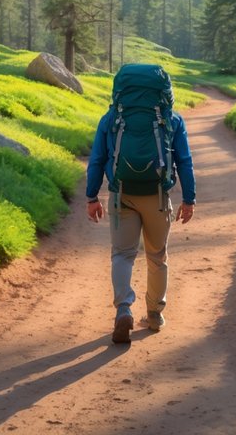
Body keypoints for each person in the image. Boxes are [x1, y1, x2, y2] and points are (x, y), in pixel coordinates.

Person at [85, 63, 196, 344]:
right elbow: (184, 161)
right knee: (157, 256)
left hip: (122, 195)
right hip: (158, 197)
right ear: (164, 92)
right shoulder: (173, 120)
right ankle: (155, 314)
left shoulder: (110, 119)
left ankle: (124, 309)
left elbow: (97, 159)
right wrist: (189, 199)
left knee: (122, 255)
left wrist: (91, 197)